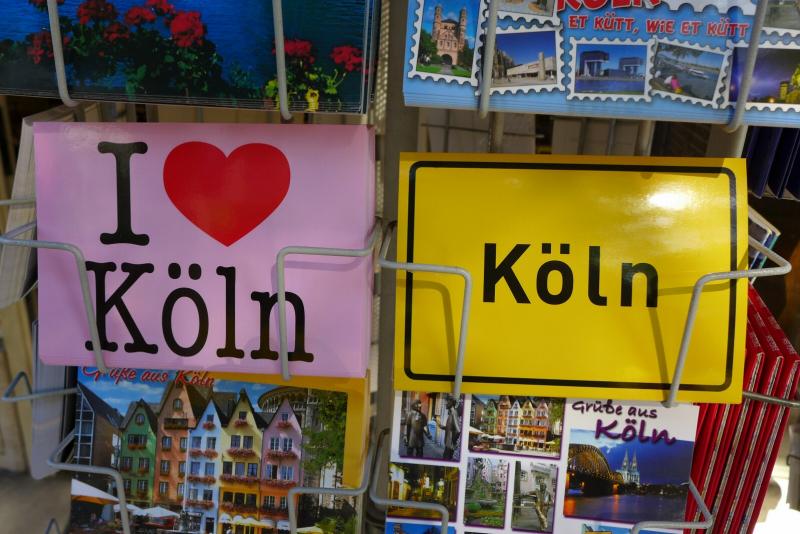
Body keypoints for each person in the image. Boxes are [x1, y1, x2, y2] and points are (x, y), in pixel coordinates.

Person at [434, 396, 461, 460]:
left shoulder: (454, 413)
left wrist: (453, 442)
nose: (445, 403)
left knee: (446, 460)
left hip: (450, 446)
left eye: (447, 402)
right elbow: (449, 428)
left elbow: (458, 431)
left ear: (451, 403)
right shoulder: (451, 414)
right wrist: (439, 424)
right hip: (448, 445)